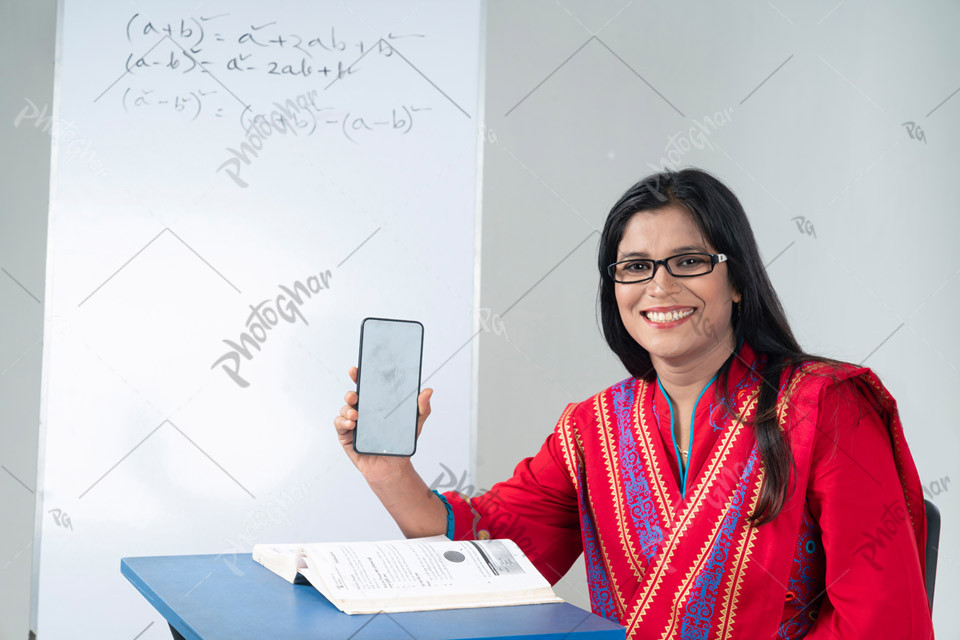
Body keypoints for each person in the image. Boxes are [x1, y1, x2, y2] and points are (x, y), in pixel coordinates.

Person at [333, 168, 935, 639]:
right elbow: (489, 553)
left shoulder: (826, 407)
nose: (660, 286)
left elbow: (882, 622)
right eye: (635, 267)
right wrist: (390, 472)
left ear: (739, 280)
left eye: (690, 262)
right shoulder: (591, 427)